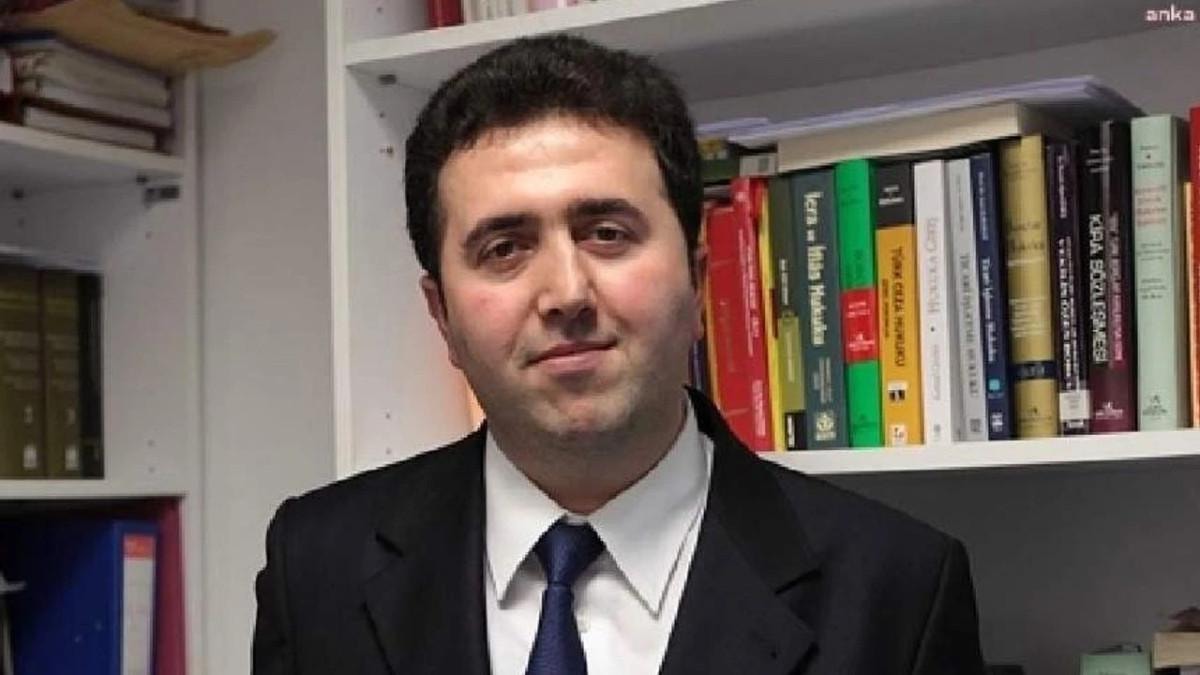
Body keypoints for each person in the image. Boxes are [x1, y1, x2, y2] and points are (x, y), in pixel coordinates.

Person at [252, 34, 986, 675]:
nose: (567, 292)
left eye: (607, 233)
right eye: (504, 248)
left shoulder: (899, 589)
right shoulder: (315, 565)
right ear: (441, 314)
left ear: (698, 278)